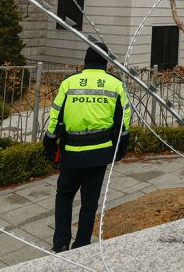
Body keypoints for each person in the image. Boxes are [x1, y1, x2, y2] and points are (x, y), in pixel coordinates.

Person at [42, 43, 131, 252]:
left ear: (85, 61)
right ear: (105, 63)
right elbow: (124, 122)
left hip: (71, 152)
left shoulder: (69, 83)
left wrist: (49, 142)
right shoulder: (115, 84)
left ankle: (60, 243)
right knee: (89, 203)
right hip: (99, 154)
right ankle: (82, 245)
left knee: (64, 195)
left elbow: (55, 115)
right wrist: (120, 149)